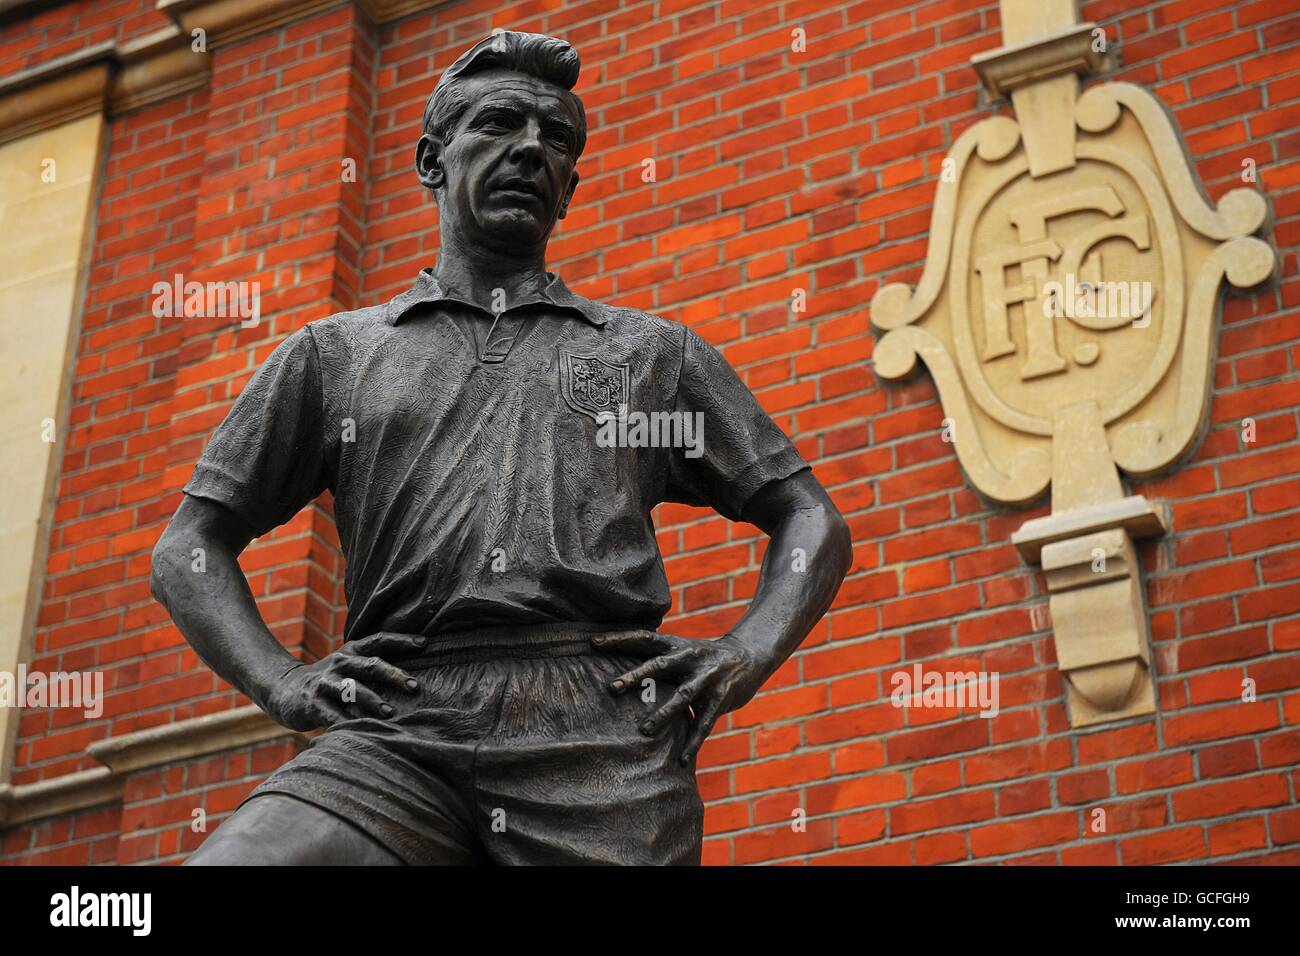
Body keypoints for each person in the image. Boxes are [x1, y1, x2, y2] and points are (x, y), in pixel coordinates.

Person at [151, 30, 851, 865]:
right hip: (396, 724)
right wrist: (282, 680)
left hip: (599, 739)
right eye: (501, 123)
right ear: (430, 160)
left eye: (556, 140)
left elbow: (809, 517)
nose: (531, 149)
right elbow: (188, 546)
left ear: (569, 192)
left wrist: (746, 651)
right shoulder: (334, 355)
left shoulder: (647, 354)